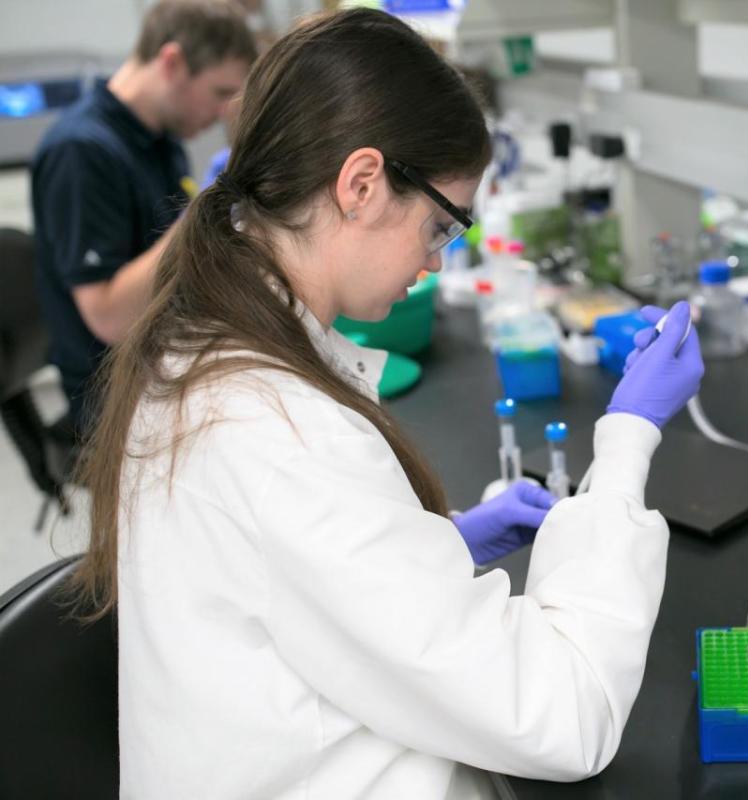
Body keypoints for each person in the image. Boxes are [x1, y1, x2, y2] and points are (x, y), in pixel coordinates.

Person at [68, 8, 704, 799]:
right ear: (361, 183)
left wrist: (436, 548)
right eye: (440, 226)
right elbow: (565, 713)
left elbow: (291, 576)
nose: (437, 263)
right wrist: (629, 439)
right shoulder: (279, 434)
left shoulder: (200, 335)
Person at [31, 0, 256, 438]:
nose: (222, 113)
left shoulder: (160, 139)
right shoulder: (81, 152)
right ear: (172, 61)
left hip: (167, 356)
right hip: (116, 400)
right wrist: (202, 211)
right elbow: (110, 318)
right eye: (219, 92)